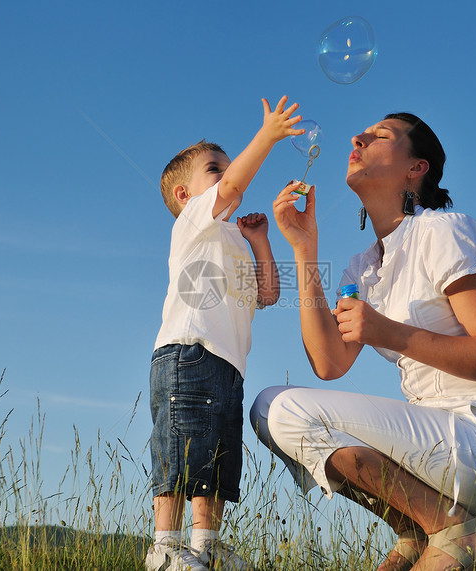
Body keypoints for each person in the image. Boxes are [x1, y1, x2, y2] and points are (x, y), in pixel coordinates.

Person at [250, 112, 476, 571]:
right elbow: (329, 363)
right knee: (271, 409)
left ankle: (457, 533)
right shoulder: (363, 268)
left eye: (381, 135)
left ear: (416, 168)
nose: (358, 137)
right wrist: (303, 249)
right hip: (434, 449)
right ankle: (417, 527)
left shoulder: (444, 232)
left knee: (284, 408)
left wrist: (390, 333)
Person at [145, 96, 304, 571]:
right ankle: (165, 547)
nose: (230, 178)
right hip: (187, 353)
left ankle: (205, 544)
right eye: (217, 170)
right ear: (185, 196)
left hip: (227, 366)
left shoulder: (231, 236)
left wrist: (260, 240)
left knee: (213, 458)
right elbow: (235, 187)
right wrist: (269, 135)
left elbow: (269, 293)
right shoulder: (195, 221)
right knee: (180, 450)